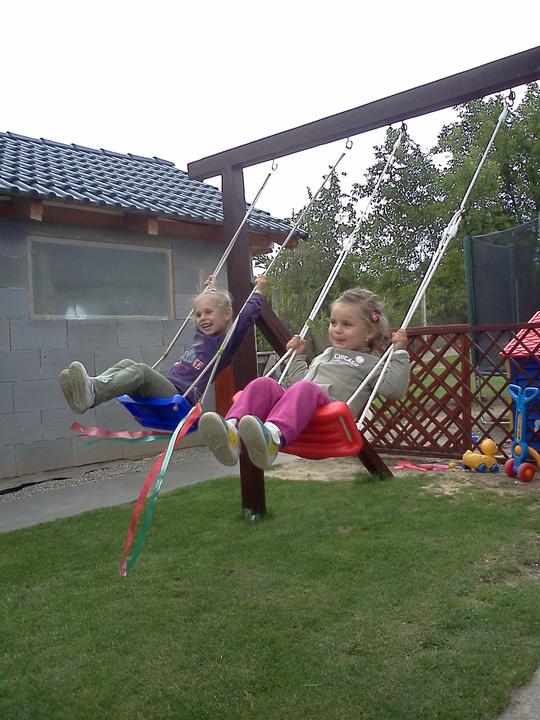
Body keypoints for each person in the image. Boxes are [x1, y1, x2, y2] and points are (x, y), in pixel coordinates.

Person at [199, 287, 409, 469]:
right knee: (264, 383)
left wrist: (399, 353)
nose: (337, 329)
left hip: (329, 415)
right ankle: (232, 431)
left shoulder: (371, 363)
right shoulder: (325, 355)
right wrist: (297, 357)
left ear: (369, 332)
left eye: (347, 324)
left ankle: (273, 438)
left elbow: (395, 389)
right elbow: (301, 382)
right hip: (302, 409)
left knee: (305, 388)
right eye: (333, 322)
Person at [58, 275, 267, 414]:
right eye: (198, 314)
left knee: (141, 371)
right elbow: (207, 308)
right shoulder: (201, 337)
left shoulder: (224, 344)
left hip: (180, 398)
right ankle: (89, 388)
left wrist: (258, 292)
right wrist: (210, 290)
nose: (202, 318)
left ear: (227, 314)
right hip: (167, 388)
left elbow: (245, 318)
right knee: (127, 363)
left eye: (209, 313)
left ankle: (93, 391)